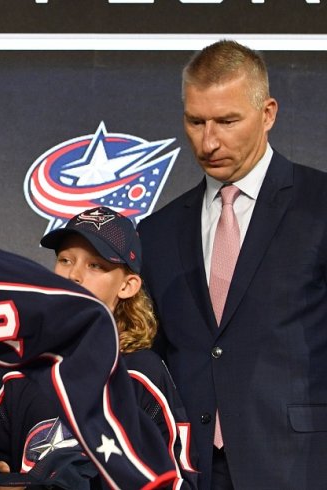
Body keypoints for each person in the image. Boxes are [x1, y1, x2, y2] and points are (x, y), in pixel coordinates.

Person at [137, 39, 327, 489]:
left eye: (227, 121)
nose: (209, 141)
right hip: (191, 469)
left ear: (268, 114)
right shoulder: (157, 231)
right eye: (195, 121)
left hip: (301, 463)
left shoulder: (319, 205)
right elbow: (150, 358)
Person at [0, 207, 197, 490]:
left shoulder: (141, 374)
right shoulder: (19, 370)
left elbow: (179, 478)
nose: (74, 276)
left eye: (95, 266)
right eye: (65, 260)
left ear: (127, 285)